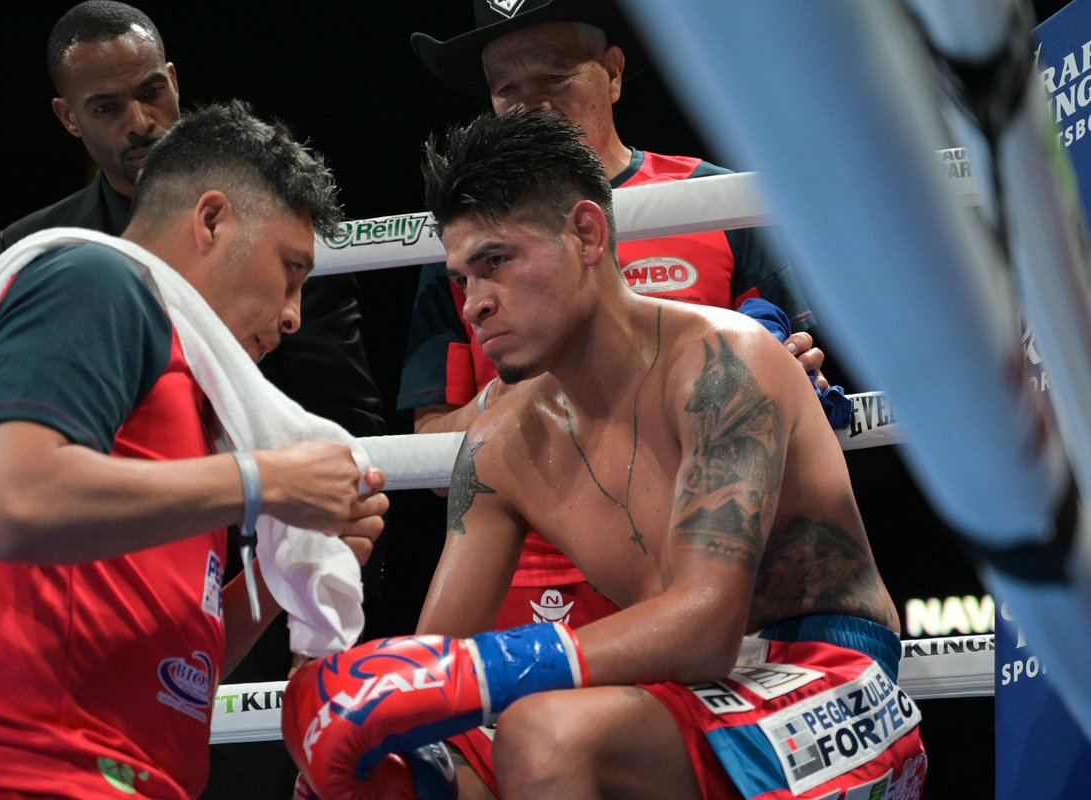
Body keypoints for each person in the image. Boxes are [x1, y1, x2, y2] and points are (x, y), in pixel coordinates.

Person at [283, 109, 926, 800]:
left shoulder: (721, 365)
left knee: (547, 731)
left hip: (828, 678)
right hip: (676, 699)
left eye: (496, 262)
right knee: (398, 772)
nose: (474, 305)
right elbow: (440, 660)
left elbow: (706, 626)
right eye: (463, 279)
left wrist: (471, 674)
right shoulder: (498, 445)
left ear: (587, 233)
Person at [0, 100, 389, 800]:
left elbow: (176, 674)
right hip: (25, 770)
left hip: (125, 776)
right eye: (290, 268)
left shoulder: (195, 400)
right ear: (211, 219)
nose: (292, 314)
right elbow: (15, 504)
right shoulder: (95, 280)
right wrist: (264, 480)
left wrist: (282, 571)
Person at [395, 0, 841, 742]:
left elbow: (799, 370)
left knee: (552, 744)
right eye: (507, 89)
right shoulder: (468, 253)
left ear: (612, 73)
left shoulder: (715, 204)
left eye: (554, 75)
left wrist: (785, 381)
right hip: (527, 580)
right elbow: (434, 448)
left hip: (713, 574)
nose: (530, 103)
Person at [0, 1, 384, 437]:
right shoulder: (36, 248)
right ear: (69, 118)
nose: (139, 122)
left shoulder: (275, 218)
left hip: (277, 492)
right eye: (106, 108)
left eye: (151, 92)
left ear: (173, 82)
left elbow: (346, 423)